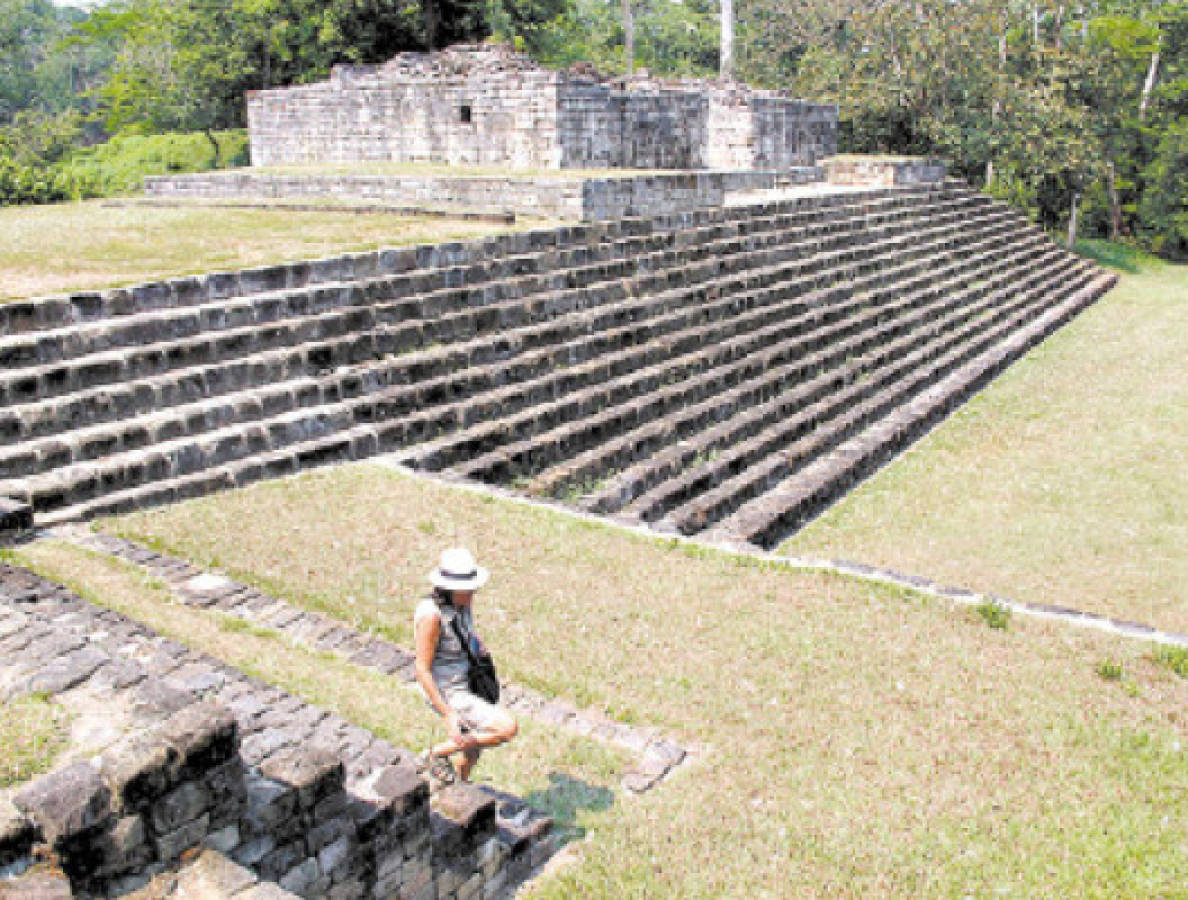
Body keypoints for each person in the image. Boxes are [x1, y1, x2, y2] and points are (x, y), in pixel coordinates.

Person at [414, 547, 517, 784]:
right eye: (467, 590)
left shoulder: (462, 604)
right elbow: (422, 669)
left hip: (467, 678)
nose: (473, 593)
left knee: (473, 750)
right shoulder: (431, 617)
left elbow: (467, 633)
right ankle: (436, 754)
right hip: (447, 689)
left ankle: (459, 785)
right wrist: (448, 714)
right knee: (506, 727)